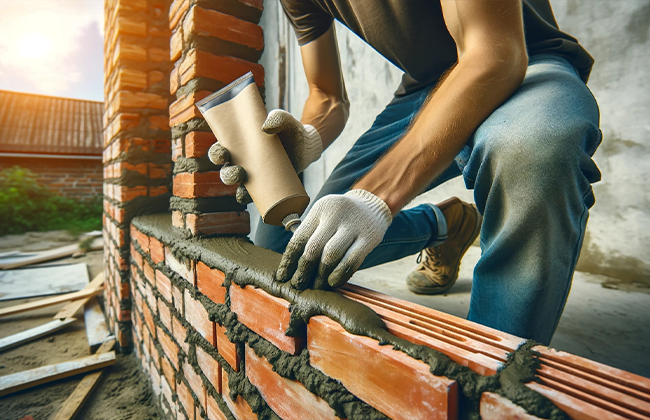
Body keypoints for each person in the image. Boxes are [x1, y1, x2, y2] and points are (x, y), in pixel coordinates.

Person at [209, 0, 602, 345]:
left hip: (521, 60)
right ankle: (446, 223)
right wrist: (308, 138)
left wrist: (373, 197)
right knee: (281, 254)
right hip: (425, 91)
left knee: (534, 152)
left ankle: (496, 378)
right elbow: (326, 96)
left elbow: (493, 55)